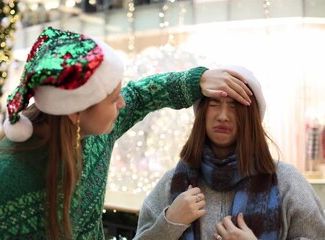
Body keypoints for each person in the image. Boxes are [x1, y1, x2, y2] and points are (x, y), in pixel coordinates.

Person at [0, 27, 252, 240]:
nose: (123, 102)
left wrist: (195, 81)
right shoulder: (7, 176)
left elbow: (139, 95)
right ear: (75, 111)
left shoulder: (95, 132)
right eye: (114, 99)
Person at [134, 66, 325, 240]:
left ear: (250, 117)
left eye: (234, 106)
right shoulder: (172, 185)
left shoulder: (286, 182)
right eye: (214, 103)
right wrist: (170, 223)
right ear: (202, 112)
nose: (223, 116)